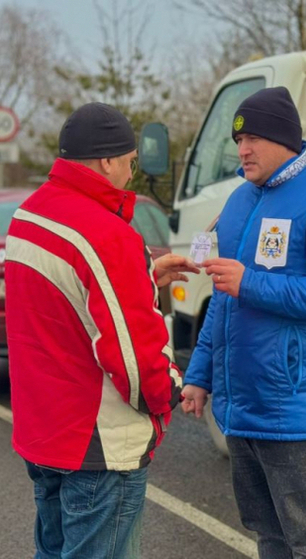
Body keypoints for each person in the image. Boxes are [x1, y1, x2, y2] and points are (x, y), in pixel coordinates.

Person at [5, 102, 199, 558]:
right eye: (131, 162)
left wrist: (141, 276)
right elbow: (134, 361)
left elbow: (64, 306)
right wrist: (170, 391)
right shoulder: (107, 235)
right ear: (108, 161)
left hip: (43, 433)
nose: (131, 173)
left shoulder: (28, 217)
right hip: (96, 446)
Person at [181, 86, 306, 558]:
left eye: (255, 139)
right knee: (267, 532)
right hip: (243, 404)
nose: (243, 150)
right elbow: (224, 299)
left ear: (286, 139)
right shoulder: (241, 200)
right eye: (238, 141)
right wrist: (200, 374)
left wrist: (252, 284)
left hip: (294, 403)